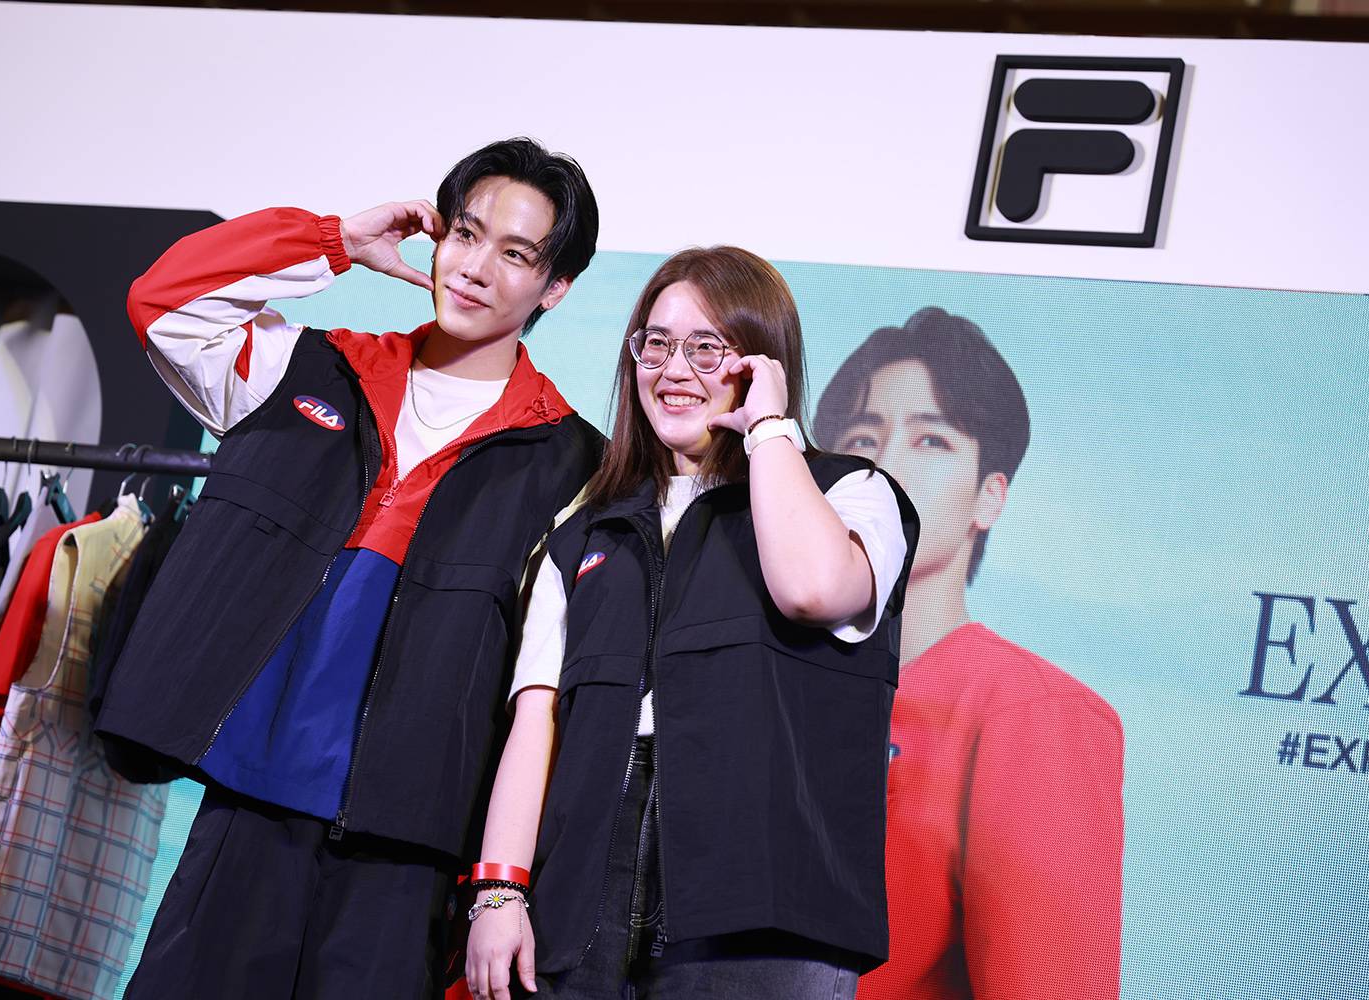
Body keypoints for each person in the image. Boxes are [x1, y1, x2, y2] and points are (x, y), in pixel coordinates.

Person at [95, 138, 606, 999]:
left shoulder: (574, 464)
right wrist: (334, 241)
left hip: (408, 854)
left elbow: (548, 692)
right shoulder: (307, 370)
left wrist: (501, 883)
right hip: (246, 806)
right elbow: (164, 301)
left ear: (554, 287)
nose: (475, 268)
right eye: (465, 234)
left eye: (516, 255)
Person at [461, 247, 918, 1000]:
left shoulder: (852, 492)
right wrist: (499, 892)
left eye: (708, 348)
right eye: (657, 344)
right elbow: (535, 722)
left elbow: (811, 590)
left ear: (762, 362)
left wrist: (769, 428)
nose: (675, 370)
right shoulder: (583, 531)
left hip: (763, 907)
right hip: (581, 899)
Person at [812, 307, 1124, 1000]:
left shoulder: (1034, 715)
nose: (885, 466)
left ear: (990, 497)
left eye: (932, 441)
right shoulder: (771, 683)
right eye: (862, 438)